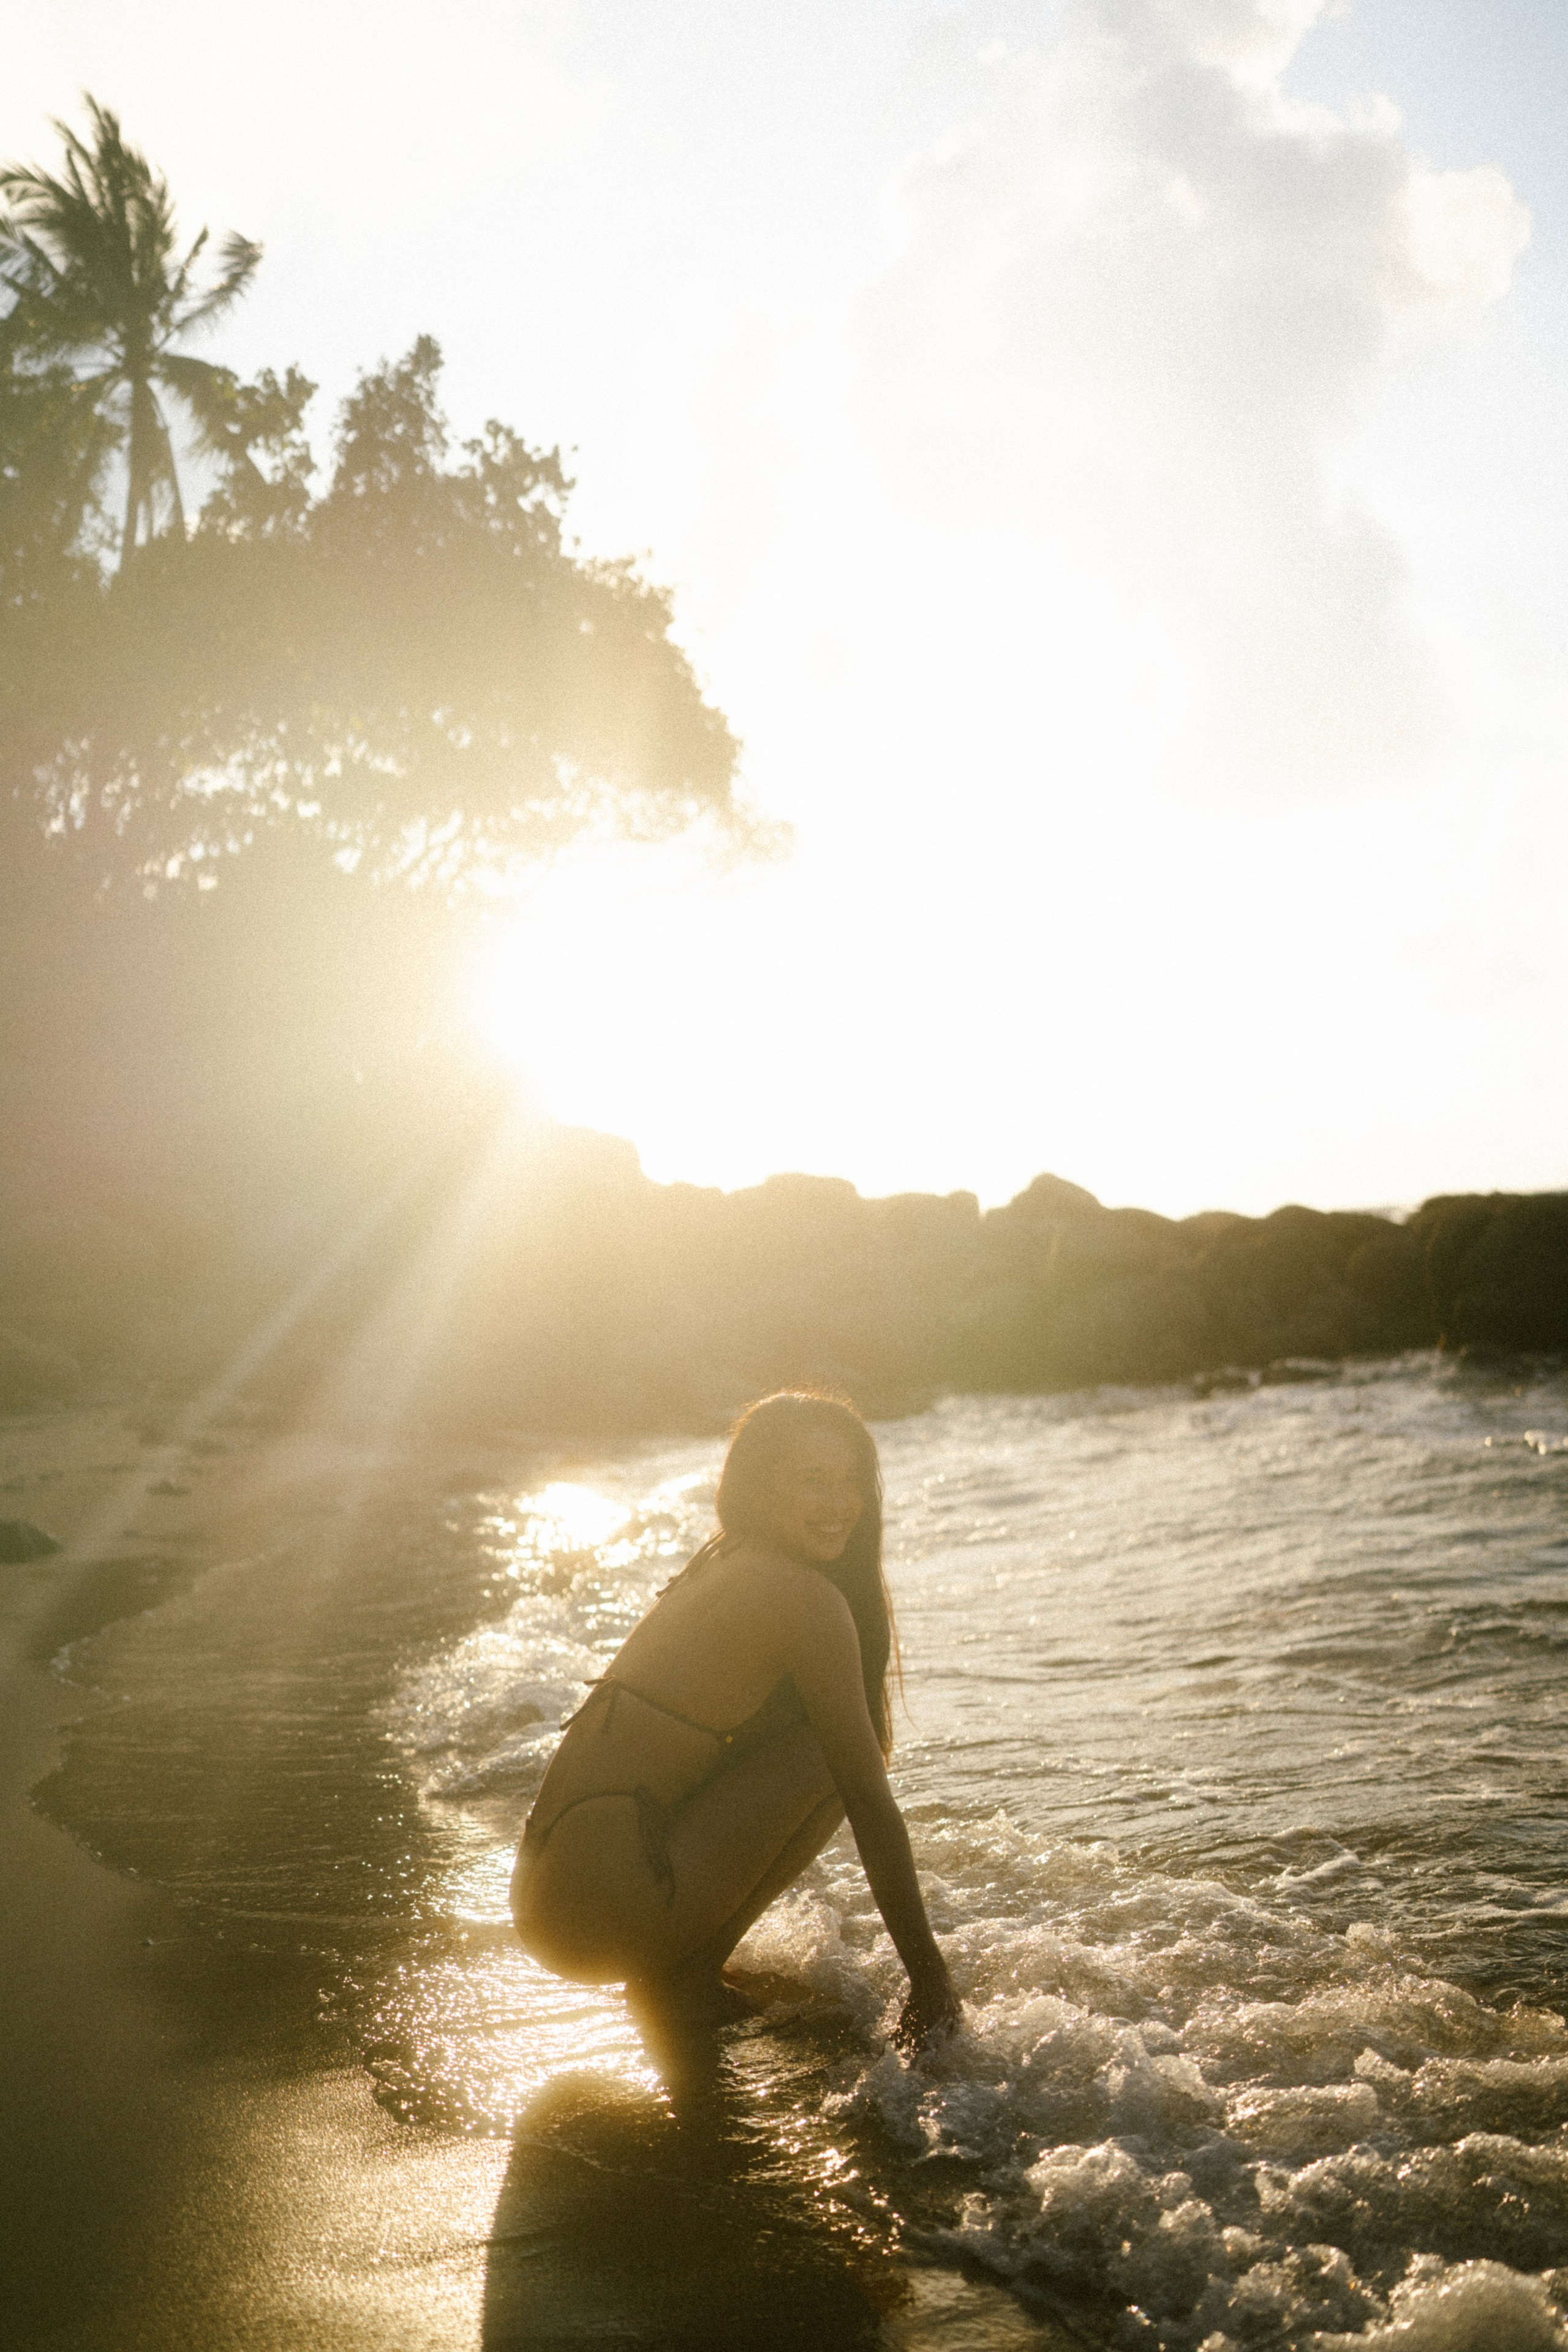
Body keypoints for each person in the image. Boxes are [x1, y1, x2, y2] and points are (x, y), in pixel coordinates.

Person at [511, 1390, 961, 2051]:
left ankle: (685, 1969)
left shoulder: (727, 1558)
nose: (839, 1503)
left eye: (849, 1482)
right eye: (812, 1480)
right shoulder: (802, 1598)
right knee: (830, 1759)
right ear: (759, 1488)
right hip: (595, 1916)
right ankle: (683, 1977)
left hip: (547, 1898)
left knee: (819, 1745)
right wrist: (930, 1981)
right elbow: (867, 1798)